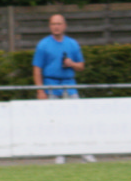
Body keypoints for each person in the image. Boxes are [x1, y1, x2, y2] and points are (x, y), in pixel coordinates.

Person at [32, 13, 94, 164]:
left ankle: (83, 151)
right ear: (50, 26)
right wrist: (40, 90)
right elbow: (37, 69)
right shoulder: (43, 45)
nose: (56, 27)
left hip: (69, 85)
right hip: (51, 85)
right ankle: (60, 152)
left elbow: (81, 66)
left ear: (64, 26)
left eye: (59, 24)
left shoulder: (72, 44)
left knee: (77, 119)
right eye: (53, 24)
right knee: (56, 121)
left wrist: (71, 64)